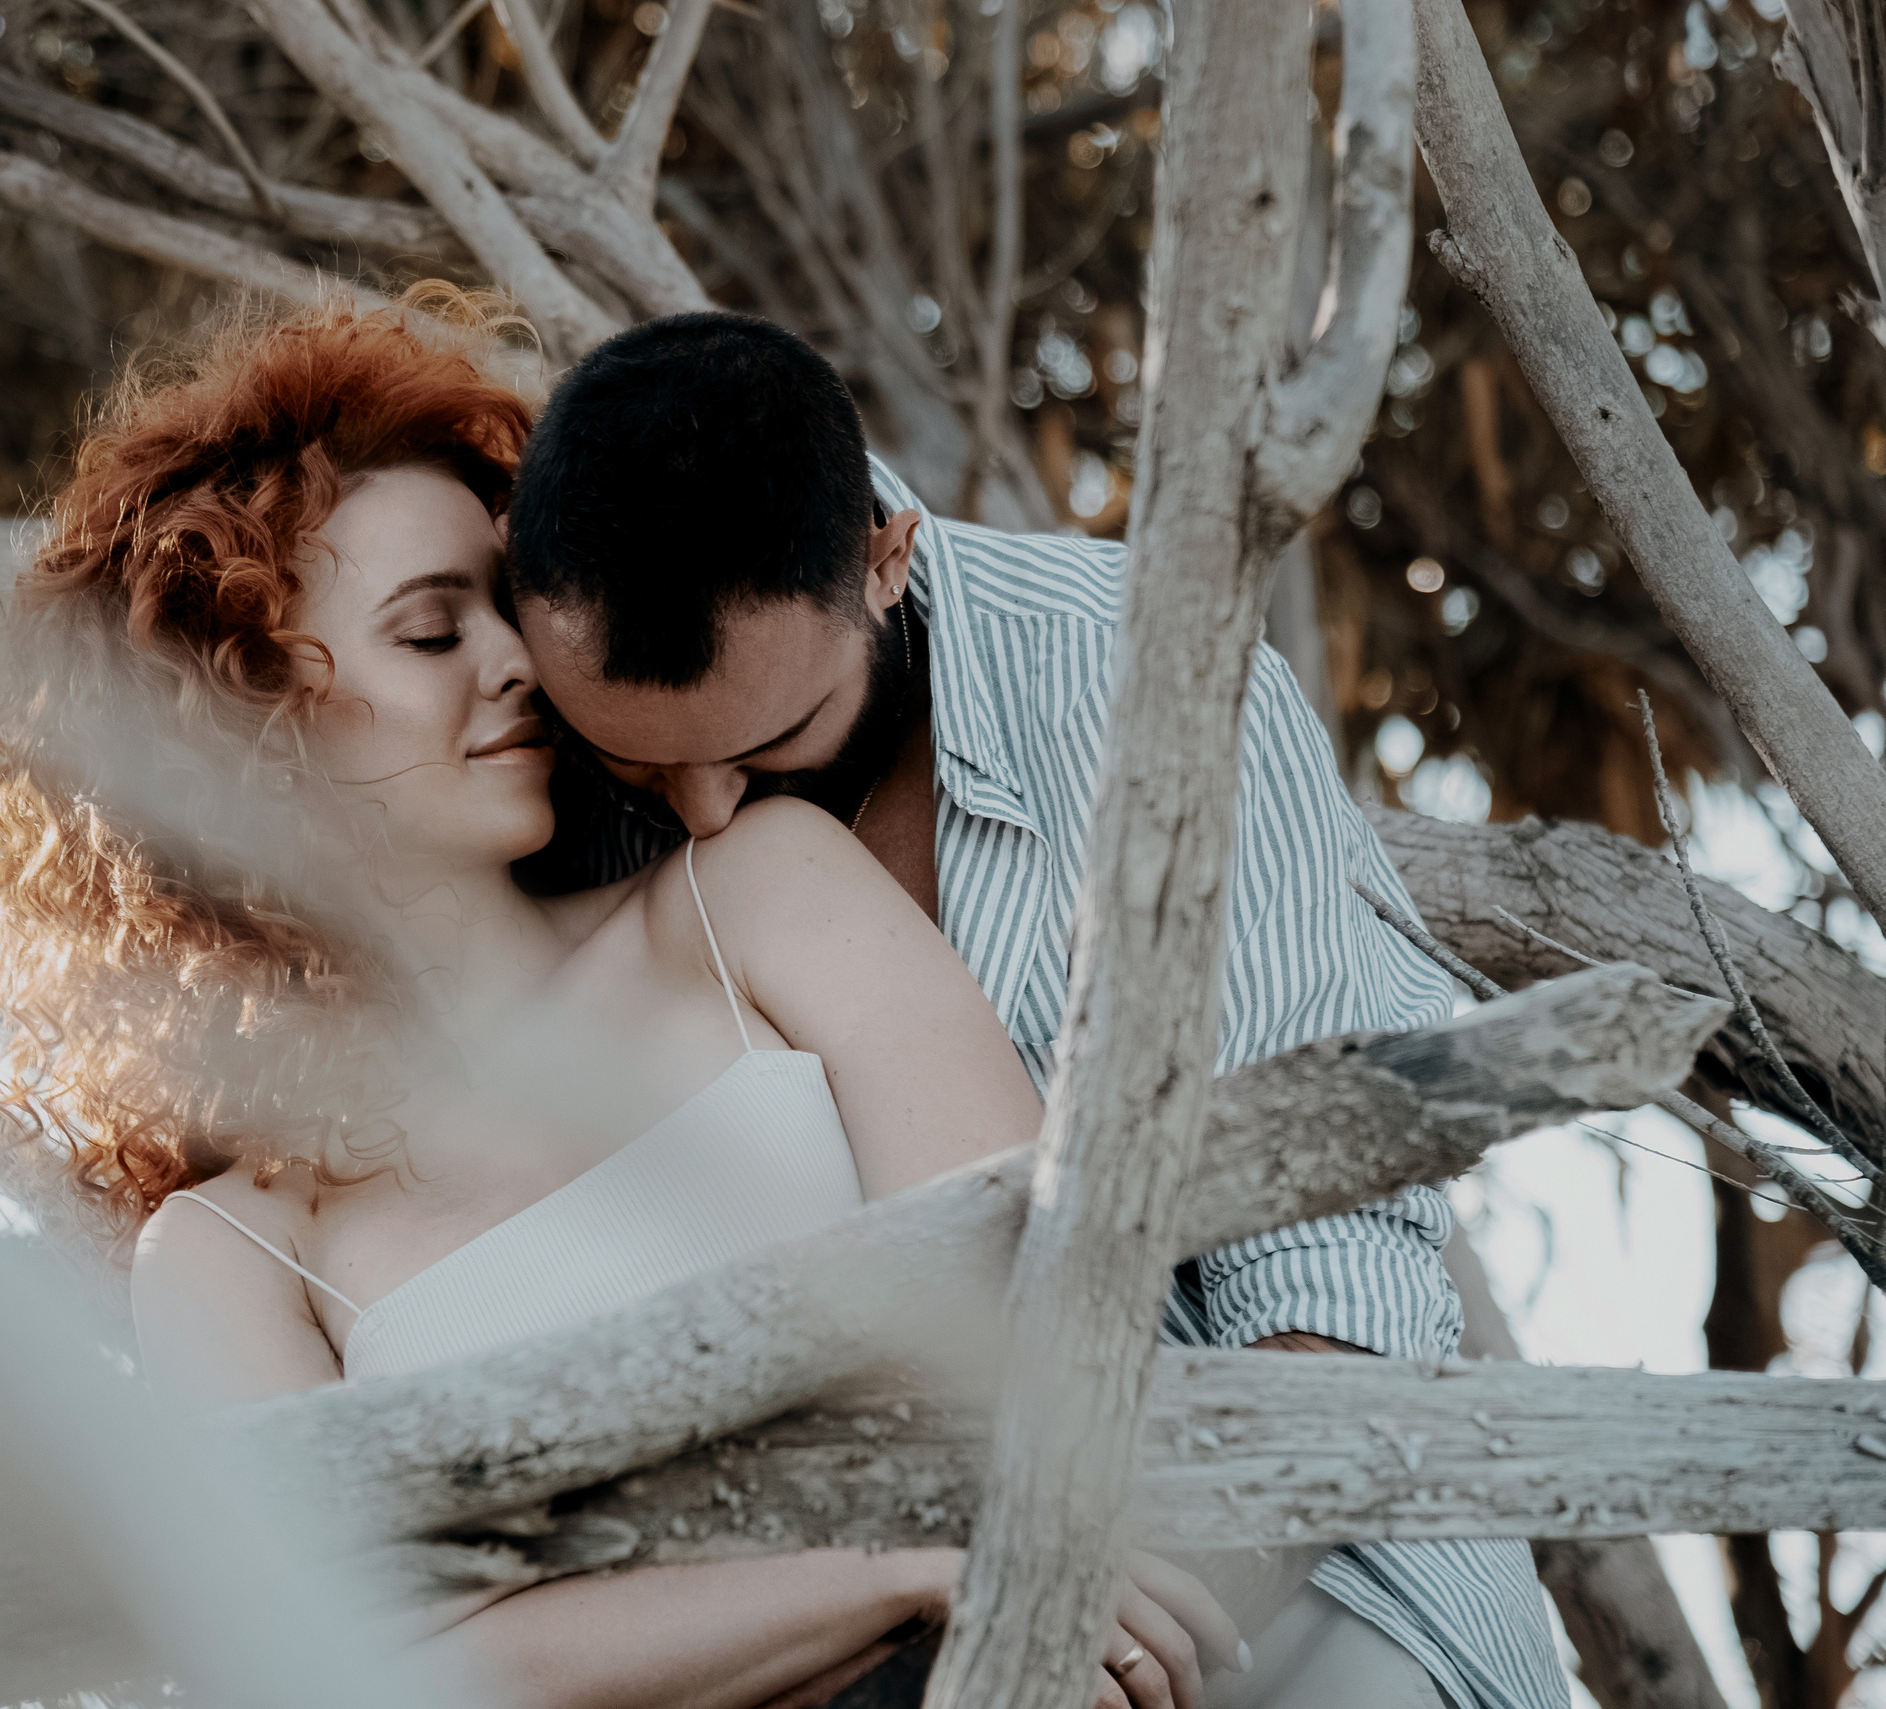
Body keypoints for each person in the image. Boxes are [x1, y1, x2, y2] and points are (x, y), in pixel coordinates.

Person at [0, 292, 1240, 1709]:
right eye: (431, 635)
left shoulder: (754, 891)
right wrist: (900, 1568)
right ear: (249, 735)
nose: (516, 662)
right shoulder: (225, 1252)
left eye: (504, 609)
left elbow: (1045, 1304)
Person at [502, 312, 1569, 1709]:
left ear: (887, 555)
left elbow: (1333, 1272)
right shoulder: (541, 765)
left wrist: (1066, 1635)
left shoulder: (1143, 676)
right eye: (637, 769)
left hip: (1286, 1585)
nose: (703, 815)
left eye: (767, 748)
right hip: (840, 1631)